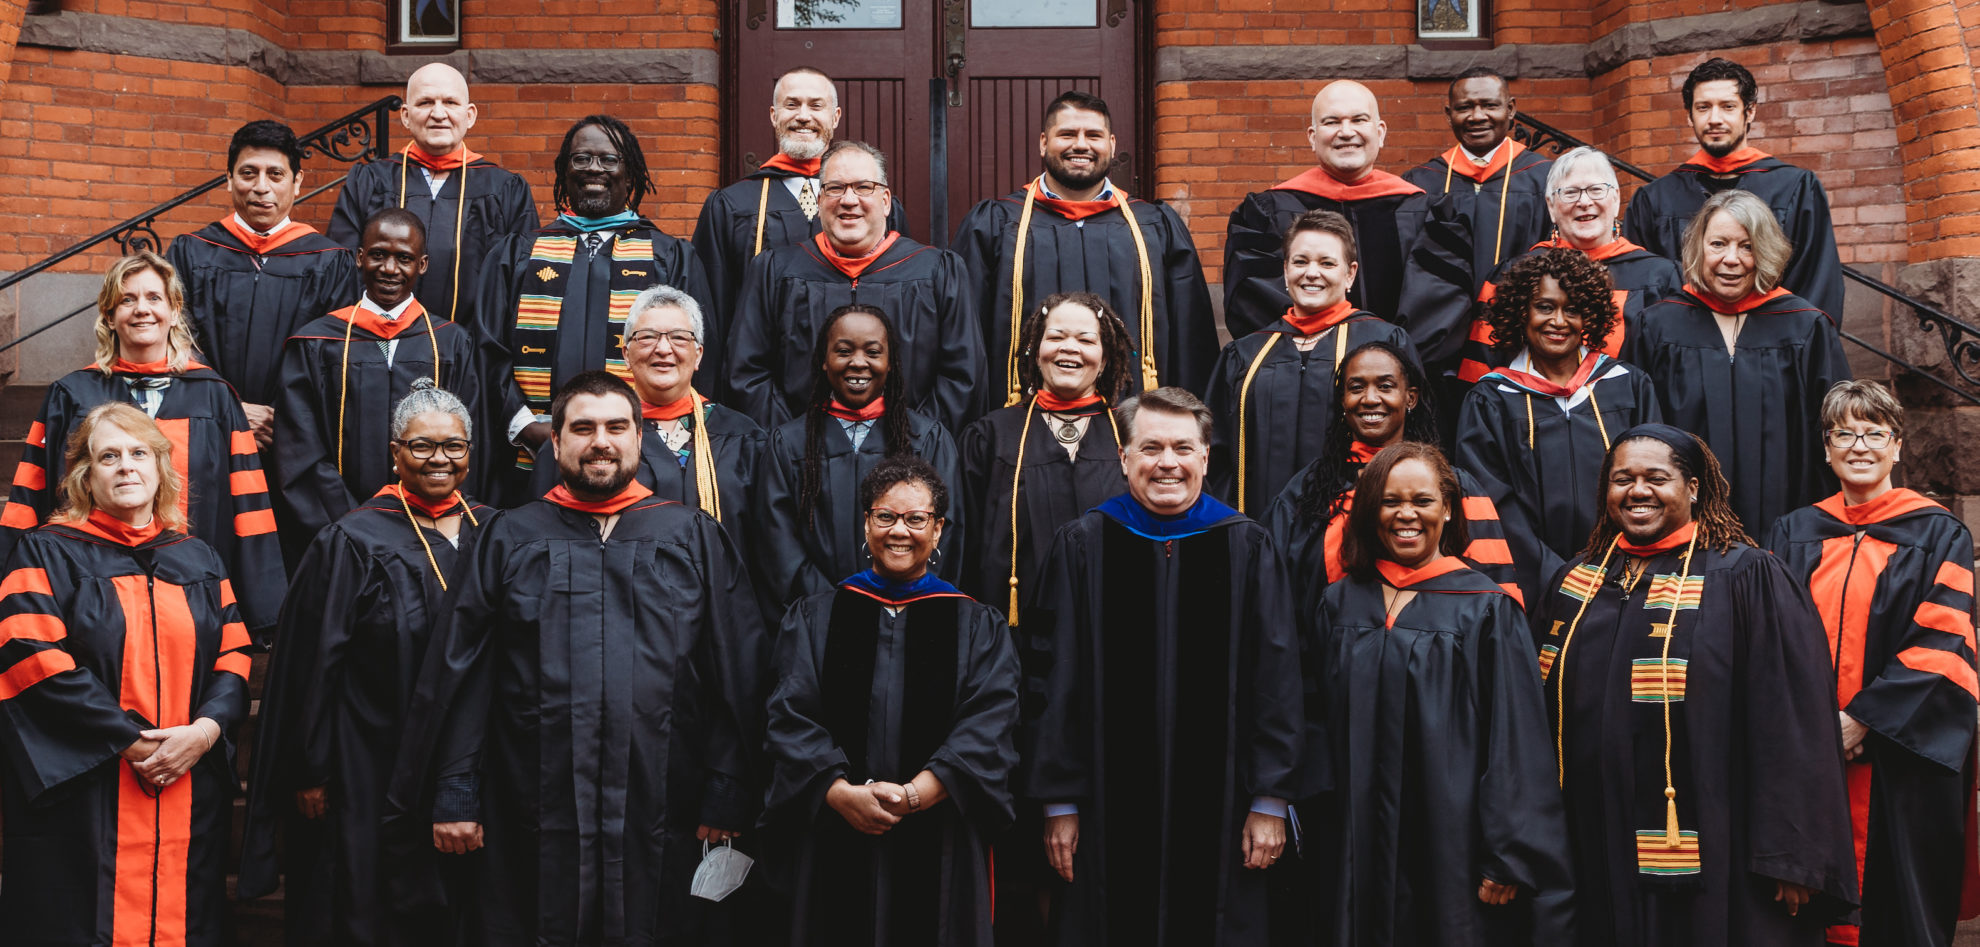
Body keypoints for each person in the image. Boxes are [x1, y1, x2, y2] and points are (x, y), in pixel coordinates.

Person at [395, 370, 768, 945]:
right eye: (584, 427)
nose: (602, 441)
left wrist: (728, 787)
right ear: (558, 440)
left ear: (639, 439)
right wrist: (456, 790)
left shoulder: (692, 535)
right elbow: (463, 674)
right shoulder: (509, 537)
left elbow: (735, 672)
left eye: (617, 426)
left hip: (666, 797)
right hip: (530, 800)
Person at [1533, 424, 1857, 946]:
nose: (1637, 491)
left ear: (1693, 488)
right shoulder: (1578, 580)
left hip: (1714, 839)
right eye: (1622, 479)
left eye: (1656, 478)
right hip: (1591, 838)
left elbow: (1792, 721)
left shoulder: (1747, 576)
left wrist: (1791, 854)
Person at [1022, 386, 1302, 946]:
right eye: (1150, 448)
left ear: (1205, 457)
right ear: (1124, 458)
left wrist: (1271, 799)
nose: (1166, 463)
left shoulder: (1246, 547)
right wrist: (1059, 801)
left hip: (1223, 814)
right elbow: (1052, 681)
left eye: (1182, 448)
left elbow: (1277, 680)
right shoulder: (1083, 545)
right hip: (1104, 811)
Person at [240, 381, 492, 947]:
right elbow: (311, 665)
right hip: (369, 759)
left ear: (471, 453)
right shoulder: (350, 541)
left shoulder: (496, 532)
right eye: (421, 446)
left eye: (453, 446)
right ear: (394, 452)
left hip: (475, 762)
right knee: (368, 904)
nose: (439, 460)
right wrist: (311, 769)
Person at [0, 402, 253, 946]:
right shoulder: (45, 552)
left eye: (139, 452)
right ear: (84, 477)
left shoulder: (198, 557)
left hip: (187, 780)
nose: (125, 466)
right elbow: (33, 657)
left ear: (161, 468)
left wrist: (203, 733)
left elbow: (234, 656)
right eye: (107, 456)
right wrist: (134, 743)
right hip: (91, 785)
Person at [1309, 441, 1573, 945]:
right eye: (1390, 501)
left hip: (1453, 839)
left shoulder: (1484, 608)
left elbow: (1515, 740)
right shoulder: (1339, 604)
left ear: (1448, 508)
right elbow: (1318, 718)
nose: (1406, 514)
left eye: (1423, 501)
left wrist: (1510, 852)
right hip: (1353, 838)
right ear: (1370, 510)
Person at [764, 456, 1020, 947]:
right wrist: (839, 793)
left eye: (915, 519)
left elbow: (991, 720)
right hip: (834, 829)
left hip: (939, 831)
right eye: (885, 516)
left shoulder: (975, 624)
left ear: (938, 529)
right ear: (866, 522)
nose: (899, 531)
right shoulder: (819, 616)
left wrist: (917, 795)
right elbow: (789, 712)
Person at [1764, 381, 1979, 947]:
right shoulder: (1793, 532)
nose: (1860, 446)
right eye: (1845, 433)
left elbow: (1944, 636)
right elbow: (1774, 637)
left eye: (1874, 432)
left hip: (1901, 756)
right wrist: (1817, 725)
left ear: (1898, 446)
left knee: (1898, 906)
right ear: (1828, 449)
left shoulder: (1938, 532)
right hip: (1812, 750)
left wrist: (1862, 720)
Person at [0, 253, 285, 637]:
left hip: (193, 588)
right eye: (127, 299)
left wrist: (264, 609)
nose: (141, 310)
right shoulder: (71, 394)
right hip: (91, 594)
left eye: (154, 297)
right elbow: (30, 497)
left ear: (174, 309)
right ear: (109, 314)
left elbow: (249, 503)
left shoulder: (214, 396)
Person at [470, 114, 712, 490]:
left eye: (609, 160)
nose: (594, 169)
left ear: (630, 175)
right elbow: (488, 348)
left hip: (641, 448)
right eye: (581, 159)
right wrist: (526, 426)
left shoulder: (669, 255)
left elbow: (689, 354)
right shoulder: (518, 253)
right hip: (531, 453)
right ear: (563, 172)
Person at [953, 90, 1217, 402]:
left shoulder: (1154, 226)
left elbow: (1191, 338)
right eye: (1067, 134)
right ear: (1043, 142)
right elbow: (965, 337)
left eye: (1094, 135)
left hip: (1132, 421)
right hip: (1022, 422)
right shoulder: (996, 224)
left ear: (1112, 145)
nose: (1081, 144)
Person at [1624, 189, 1847, 538]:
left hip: (1787, 516)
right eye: (1718, 244)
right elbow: (1635, 429)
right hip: (1681, 523)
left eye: (1747, 246)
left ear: (1767, 252)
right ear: (1699, 248)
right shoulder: (1657, 326)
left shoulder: (1805, 327)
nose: (1732, 259)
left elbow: (1835, 432)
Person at [273, 209, 492, 563]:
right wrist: (354, 527)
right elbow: (300, 450)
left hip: (431, 532)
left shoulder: (450, 343)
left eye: (404, 258)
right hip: (340, 535)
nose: (390, 269)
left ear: (421, 265)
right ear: (360, 258)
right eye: (378, 254)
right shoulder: (317, 342)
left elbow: (467, 445)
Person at [727, 140, 983, 431]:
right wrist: (796, 443)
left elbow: (961, 375)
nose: (848, 200)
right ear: (820, 201)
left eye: (863, 187)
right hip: (802, 461)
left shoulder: (937, 272)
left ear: (886, 201)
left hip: (910, 460)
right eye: (835, 188)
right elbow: (748, 373)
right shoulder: (775, 272)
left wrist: (914, 443)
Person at [1456, 247, 1663, 604]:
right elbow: (1493, 501)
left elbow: (1655, 480)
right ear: (1522, 311)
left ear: (1590, 316)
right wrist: (1553, 572)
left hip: (1624, 574)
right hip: (1533, 584)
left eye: (1573, 309)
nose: (1559, 321)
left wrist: (1615, 564)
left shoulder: (1626, 385)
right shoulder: (1492, 399)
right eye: (1545, 307)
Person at [692, 67, 907, 396]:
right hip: (762, 389)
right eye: (792, 105)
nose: (803, 116)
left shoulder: (872, 204)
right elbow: (713, 309)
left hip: (865, 386)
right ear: (774, 115)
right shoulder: (733, 205)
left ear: (835, 117)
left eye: (815, 106)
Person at [1261, 340, 1522, 604]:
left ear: (1410, 397)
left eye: (1385, 386)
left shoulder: (1452, 484)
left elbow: (1495, 591)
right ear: (1343, 401)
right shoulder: (1309, 489)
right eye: (1356, 388)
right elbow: (1275, 591)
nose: (1370, 399)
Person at [1206, 209, 1419, 514]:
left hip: (1355, 527)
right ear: (1285, 270)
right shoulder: (1247, 353)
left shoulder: (1385, 344)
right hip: (1258, 530)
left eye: (1327, 263)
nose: (1311, 273)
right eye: (1301, 261)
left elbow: (1415, 439)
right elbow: (1218, 453)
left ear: (1350, 274)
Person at [756, 303, 964, 610]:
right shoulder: (790, 444)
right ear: (823, 361)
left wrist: (902, 598)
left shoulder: (927, 439)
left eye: (873, 352)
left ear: (890, 362)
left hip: (910, 611)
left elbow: (946, 531)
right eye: (843, 351)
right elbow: (777, 543)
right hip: (818, 617)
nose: (858, 363)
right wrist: (830, 605)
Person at [168, 119, 360, 450]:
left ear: (297, 181)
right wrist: (231, 411)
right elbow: (176, 338)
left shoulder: (329, 262)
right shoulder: (191, 252)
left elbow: (334, 357)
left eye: (275, 174)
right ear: (228, 179)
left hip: (291, 439)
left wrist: (283, 417)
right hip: (208, 429)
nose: (261, 186)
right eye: (248, 173)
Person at [531, 285, 763, 546]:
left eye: (679, 337)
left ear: (698, 355)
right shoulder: (585, 436)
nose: (663, 349)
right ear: (626, 354)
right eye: (648, 337)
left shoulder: (744, 436)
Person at [1625, 57, 1844, 320]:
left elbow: (1816, 282)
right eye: (1703, 107)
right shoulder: (1654, 200)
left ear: (1749, 111)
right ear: (1689, 115)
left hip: (1771, 348)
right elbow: (1643, 289)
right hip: (1681, 350)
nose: (1714, 119)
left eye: (1727, 106)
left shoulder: (1795, 189)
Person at [958, 292, 1131, 624]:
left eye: (1085, 339)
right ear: (1036, 352)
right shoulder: (991, 436)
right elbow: (964, 543)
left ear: (1105, 357)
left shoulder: (1132, 434)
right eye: (1056, 337)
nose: (1069, 347)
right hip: (1016, 635)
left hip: (1112, 628)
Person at [1446, 146, 1684, 383]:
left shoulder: (1660, 277)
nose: (1584, 201)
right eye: (1570, 192)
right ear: (1551, 206)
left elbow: (1673, 374)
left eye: (1596, 190)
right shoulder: (1514, 275)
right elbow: (1479, 372)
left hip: (1632, 414)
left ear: (1616, 199)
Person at [328, 62, 538, 326]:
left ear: (470, 115)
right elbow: (343, 270)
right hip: (376, 346)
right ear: (405, 115)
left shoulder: (506, 189)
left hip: (473, 353)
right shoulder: (370, 181)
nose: (438, 113)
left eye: (450, 102)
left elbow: (521, 281)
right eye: (425, 103)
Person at [1223, 80, 1427, 335]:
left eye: (1359, 120)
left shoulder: (1422, 212)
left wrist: (1395, 359)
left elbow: (1435, 306)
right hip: (1301, 366)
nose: (1346, 132)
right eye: (1331, 122)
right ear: (1313, 136)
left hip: (1397, 370)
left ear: (1380, 132)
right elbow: (1253, 301)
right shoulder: (1269, 212)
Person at [1399, 68, 1554, 300]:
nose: (1477, 116)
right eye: (1464, 108)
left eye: (1490, 106)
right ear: (1448, 114)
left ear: (1510, 109)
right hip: (1441, 325)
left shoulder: (1544, 178)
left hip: (1520, 322)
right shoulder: (1421, 183)